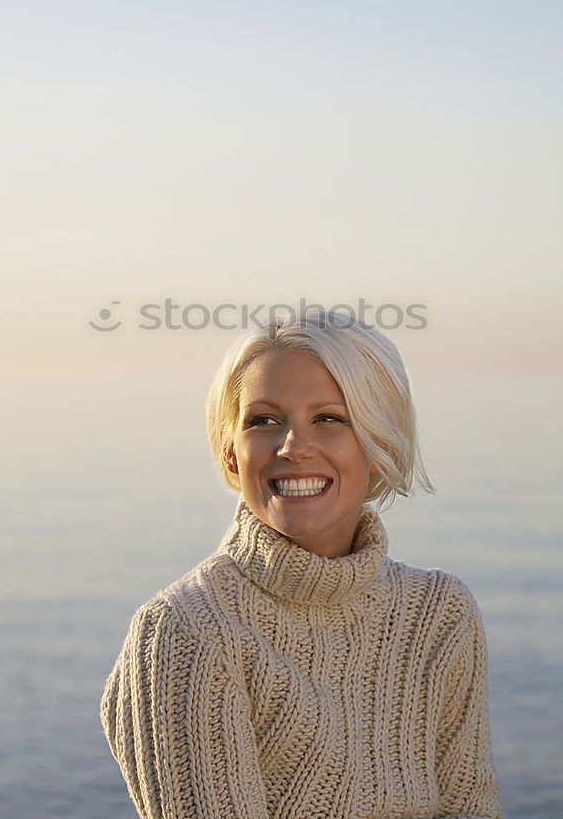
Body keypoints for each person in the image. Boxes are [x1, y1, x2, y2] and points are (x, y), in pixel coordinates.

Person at [100, 310, 502, 819]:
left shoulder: (440, 612)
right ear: (230, 452)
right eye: (264, 420)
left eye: (329, 419)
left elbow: (473, 807)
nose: (293, 446)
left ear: (379, 443)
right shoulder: (187, 631)